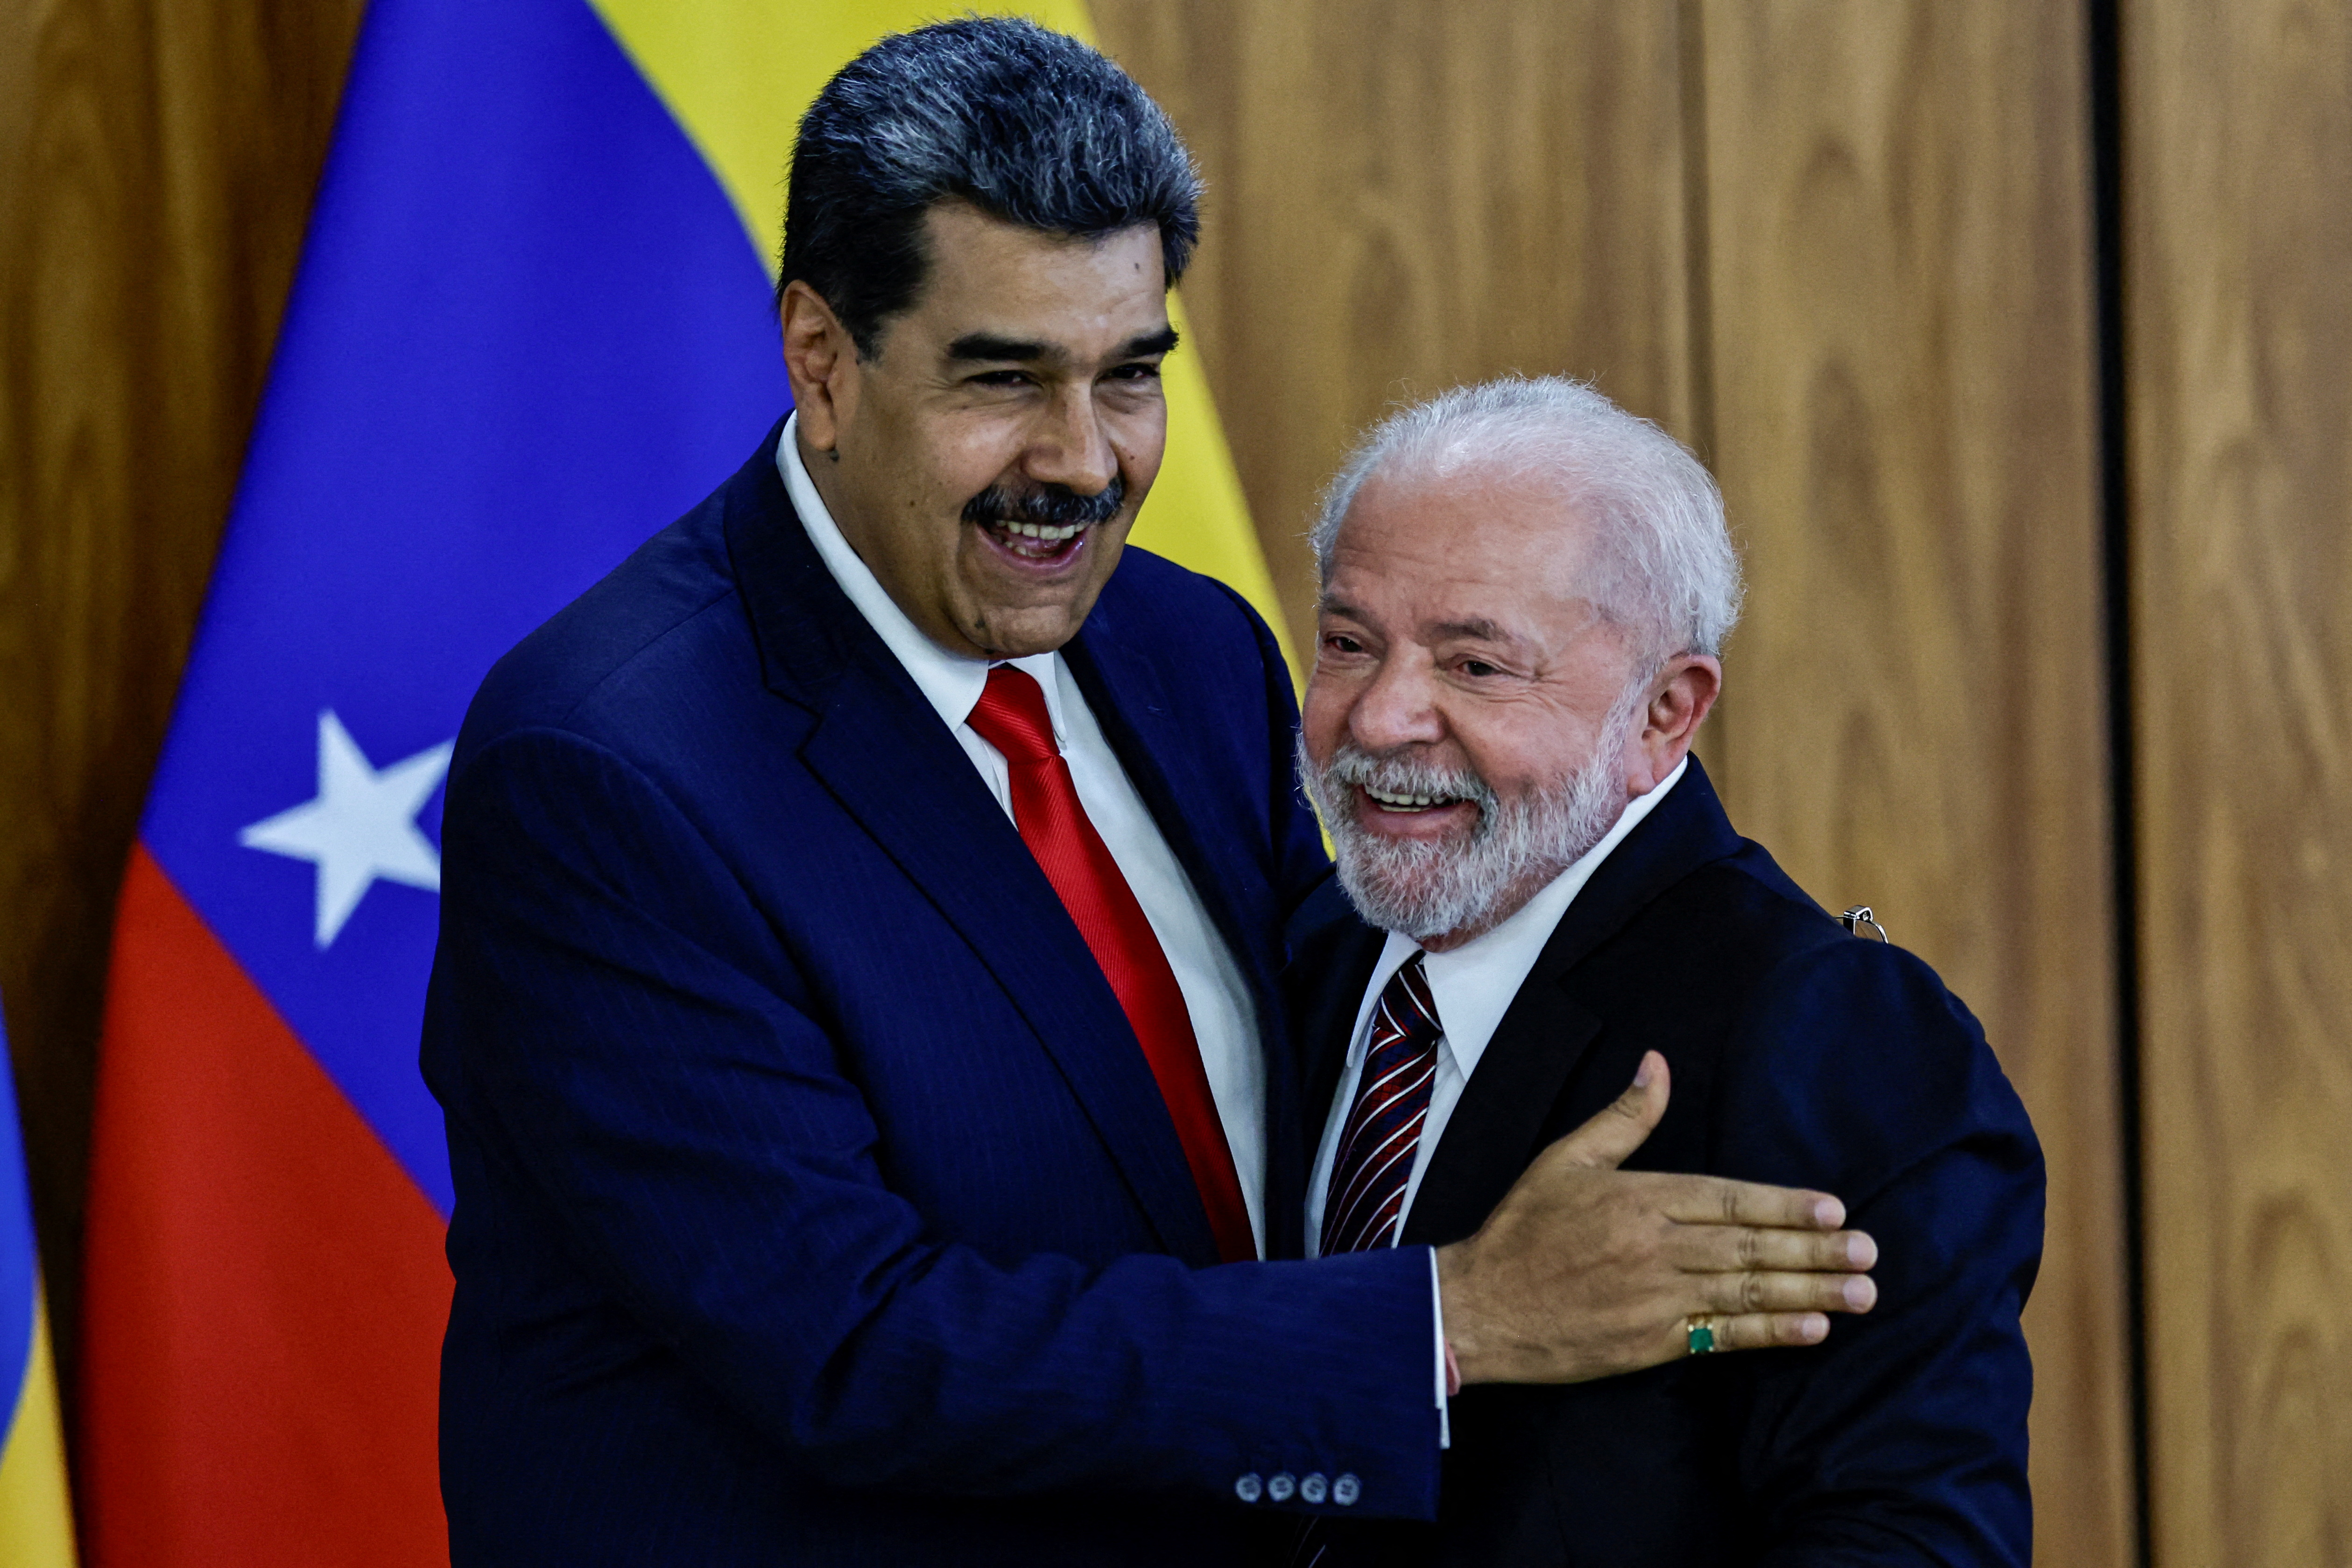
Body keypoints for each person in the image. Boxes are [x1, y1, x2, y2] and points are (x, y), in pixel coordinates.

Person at [421, 23, 1879, 1566]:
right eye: (1003, 379)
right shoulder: (606, 768)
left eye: (1126, 376)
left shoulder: (1187, 644)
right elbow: (854, 1346)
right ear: (822, 362)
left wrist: (1801, 1015)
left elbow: (1378, 1006)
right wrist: (1451, 1321)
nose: (1080, 462)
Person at [1287, 376, 2043, 1566]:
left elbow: (1901, 1539)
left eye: (1474, 665)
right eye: (1347, 644)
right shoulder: (1301, 959)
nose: (1380, 719)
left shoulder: (1826, 1033)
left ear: (1663, 713)